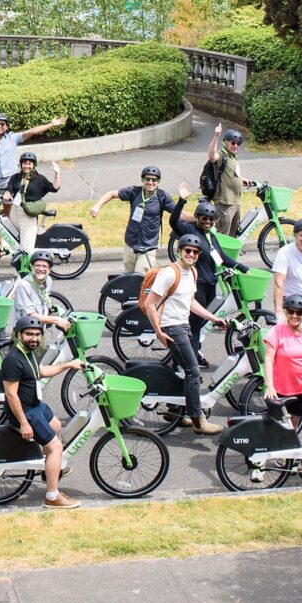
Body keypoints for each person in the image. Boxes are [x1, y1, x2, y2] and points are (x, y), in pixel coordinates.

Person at [140, 233, 230, 435]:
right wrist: (159, 331)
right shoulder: (170, 273)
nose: (191, 254)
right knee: (193, 371)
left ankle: (175, 412)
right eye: (187, 250)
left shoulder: (193, 273)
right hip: (172, 327)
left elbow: (190, 302)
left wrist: (212, 318)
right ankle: (198, 420)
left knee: (180, 369)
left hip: (184, 325)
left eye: (195, 252)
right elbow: (150, 303)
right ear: (180, 251)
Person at [1, 315, 84, 509]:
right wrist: (24, 423)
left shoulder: (27, 353)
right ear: (18, 335)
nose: (34, 338)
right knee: (56, 448)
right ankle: (52, 497)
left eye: (38, 335)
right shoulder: (12, 360)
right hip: (26, 411)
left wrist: (68, 365)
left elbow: (41, 371)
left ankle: (49, 470)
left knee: (56, 426)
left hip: (36, 405)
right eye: (29, 334)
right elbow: (12, 395)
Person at [169, 184, 244, 368]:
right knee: (194, 328)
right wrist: (182, 200)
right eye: (204, 218)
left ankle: (186, 358)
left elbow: (222, 257)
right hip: (198, 287)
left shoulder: (211, 236)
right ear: (197, 217)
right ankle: (188, 364)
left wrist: (243, 267)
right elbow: (173, 222)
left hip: (211, 286)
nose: (208, 221)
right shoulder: (191, 231)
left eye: (211, 219)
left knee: (200, 326)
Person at [0, 112, 68, 196]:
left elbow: (32, 131)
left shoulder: (13, 138)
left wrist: (51, 124)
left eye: (2, 124)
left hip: (10, 179)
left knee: (7, 206)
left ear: (7, 126)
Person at [90, 164, 175, 272]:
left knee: (141, 279)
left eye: (154, 180)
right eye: (147, 179)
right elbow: (111, 194)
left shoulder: (162, 197)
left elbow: (179, 214)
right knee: (128, 281)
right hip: (130, 244)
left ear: (158, 182)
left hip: (147, 247)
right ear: (142, 180)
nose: (150, 182)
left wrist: (198, 218)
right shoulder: (134, 192)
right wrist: (97, 206)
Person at [262, 293, 302, 431]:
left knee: (294, 421)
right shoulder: (277, 331)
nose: (295, 315)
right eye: (291, 311)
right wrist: (270, 386)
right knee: (276, 424)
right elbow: (268, 360)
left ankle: (286, 450)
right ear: (286, 312)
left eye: (299, 312)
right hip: (282, 388)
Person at [3, 152, 61, 251]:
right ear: (21, 164)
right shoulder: (16, 177)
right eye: (24, 163)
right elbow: (9, 188)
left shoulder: (39, 179)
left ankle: (28, 263)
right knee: (10, 236)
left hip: (28, 214)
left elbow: (54, 188)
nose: (27, 166)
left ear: (34, 165)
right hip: (15, 211)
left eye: (29, 164)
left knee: (26, 248)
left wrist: (57, 174)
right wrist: (7, 194)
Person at [9, 251, 70, 334]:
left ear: (49, 269)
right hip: (25, 334)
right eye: (37, 265)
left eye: (44, 266)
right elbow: (31, 316)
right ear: (31, 267)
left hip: (39, 331)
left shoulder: (48, 280)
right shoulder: (24, 285)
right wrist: (56, 319)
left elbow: (44, 298)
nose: (41, 269)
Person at [206, 123, 247, 238]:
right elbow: (211, 155)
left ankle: (228, 256)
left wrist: (242, 180)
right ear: (225, 143)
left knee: (232, 237)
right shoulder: (221, 155)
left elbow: (231, 174)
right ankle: (218, 256)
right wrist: (216, 136)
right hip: (225, 204)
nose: (235, 145)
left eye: (238, 144)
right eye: (233, 143)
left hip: (235, 202)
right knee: (223, 237)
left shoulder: (233, 157)